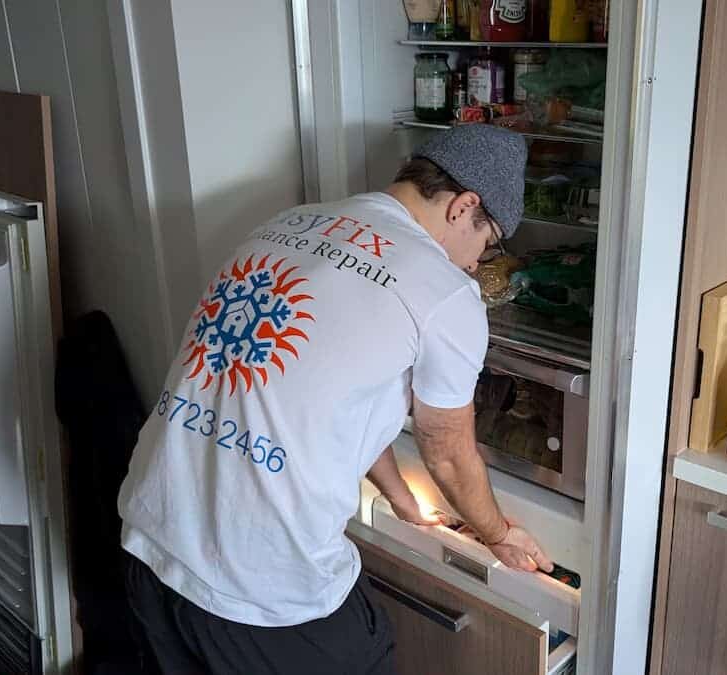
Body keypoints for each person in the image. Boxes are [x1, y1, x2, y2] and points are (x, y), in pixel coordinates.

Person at [118, 124, 554, 674]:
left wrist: (399, 497)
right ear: (464, 206)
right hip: (257, 585)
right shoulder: (445, 292)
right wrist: (499, 535)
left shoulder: (286, 223)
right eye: (486, 242)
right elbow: (445, 449)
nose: (474, 263)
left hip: (151, 537)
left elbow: (333, 391)